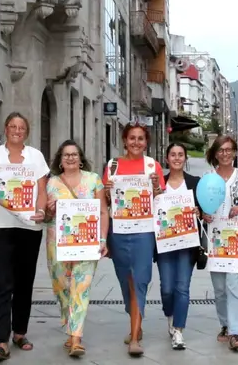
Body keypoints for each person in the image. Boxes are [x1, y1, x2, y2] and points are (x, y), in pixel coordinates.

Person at [0, 113, 50, 362]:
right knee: (0, 283)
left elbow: (42, 191)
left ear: (26, 132)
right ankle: (1, 340)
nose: (17, 130)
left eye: (21, 127)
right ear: (5, 129)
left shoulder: (36, 157)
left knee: (24, 282)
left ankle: (20, 332)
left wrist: (40, 210)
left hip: (29, 227)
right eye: (12, 126)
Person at [102, 123, 165, 356]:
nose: (136, 142)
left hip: (144, 232)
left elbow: (160, 200)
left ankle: (135, 337)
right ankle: (134, 322)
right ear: (124, 140)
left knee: (139, 280)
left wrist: (157, 187)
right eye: (132, 138)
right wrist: (107, 190)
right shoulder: (113, 165)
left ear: (146, 142)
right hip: (119, 232)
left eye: (140, 139)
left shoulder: (152, 166)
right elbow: (106, 202)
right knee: (124, 280)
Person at [43, 140, 108, 357]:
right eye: (66, 155)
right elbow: (44, 217)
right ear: (60, 161)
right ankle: (70, 328)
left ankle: (76, 339)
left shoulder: (93, 180)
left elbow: (103, 212)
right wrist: (49, 211)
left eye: (74, 154)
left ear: (81, 158)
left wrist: (103, 240)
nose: (70, 158)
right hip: (57, 245)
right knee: (62, 288)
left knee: (81, 288)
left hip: (87, 243)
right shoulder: (50, 183)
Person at [203, 135, 238, 351]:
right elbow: (203, 207)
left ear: (235, 152)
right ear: (215, 153)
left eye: (229, 150)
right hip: (215, 239)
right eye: (221, 150)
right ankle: (225, 325)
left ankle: (235, 331)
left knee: (234, 285)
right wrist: (204, 215)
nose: (225, 154)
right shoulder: (208, 177)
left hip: (236, 238)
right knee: (219, 288)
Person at [157, 143, 201, 350]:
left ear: (185, 159)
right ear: (167, 159)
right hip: (164, 243)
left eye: (180, 155)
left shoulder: (194, 182)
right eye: (172, 155)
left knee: (182, 287)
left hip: (187, 243)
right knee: (167, 288)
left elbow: (203, 211)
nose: (176, 158)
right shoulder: (159, 183)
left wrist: (198, 212)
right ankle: (170, 314)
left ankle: (179, 331)